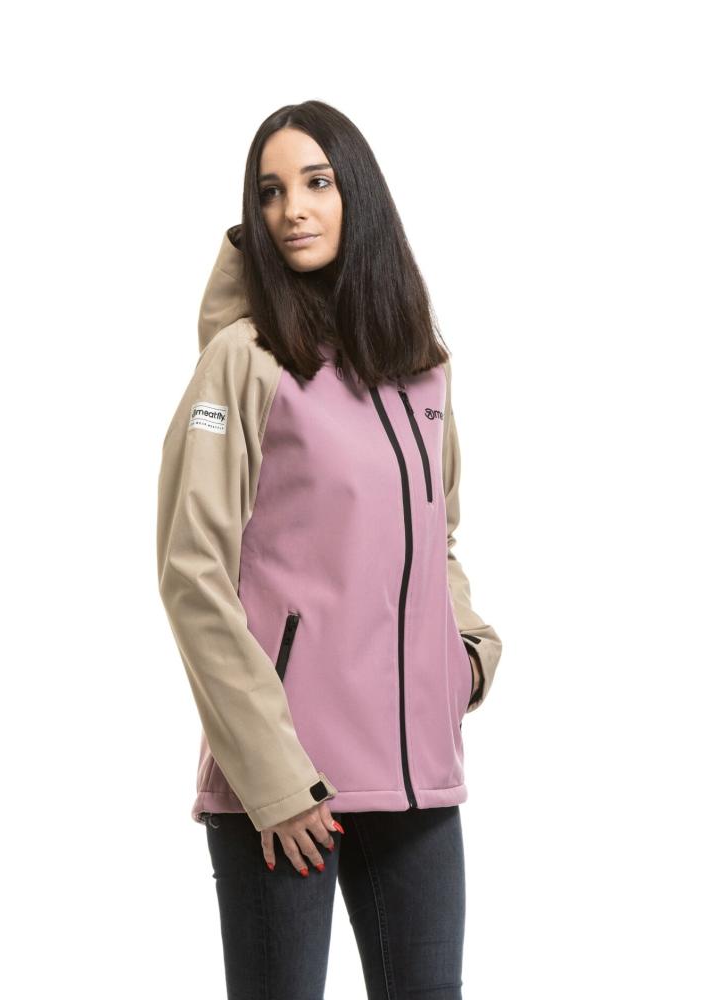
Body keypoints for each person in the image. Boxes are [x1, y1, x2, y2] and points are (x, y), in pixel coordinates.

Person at [156, 99, 503, 1000]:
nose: (291, 210)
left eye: (315, 182)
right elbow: (193, 574)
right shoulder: (242, 362)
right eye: (269, 192)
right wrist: (273, 780)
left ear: (359, 195)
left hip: (416, 780)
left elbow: (437, 535)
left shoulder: (420, 366)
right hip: (285, 788)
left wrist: (462, 651)